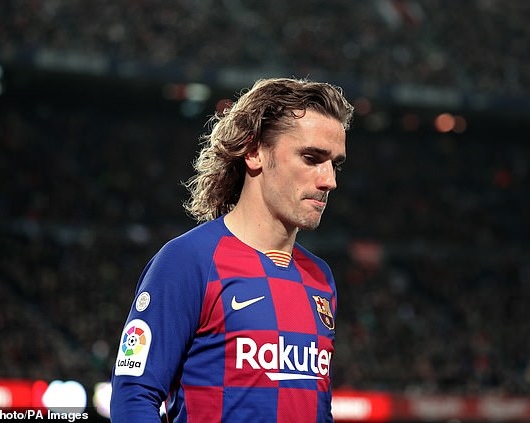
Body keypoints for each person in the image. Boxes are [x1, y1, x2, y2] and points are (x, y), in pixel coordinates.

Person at [110, 77, 354, 422]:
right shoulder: (188, 262)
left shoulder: (320, 278)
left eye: (335, 164)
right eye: (312, 157)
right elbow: (134, 397)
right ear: (254, 152)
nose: (329, 180)